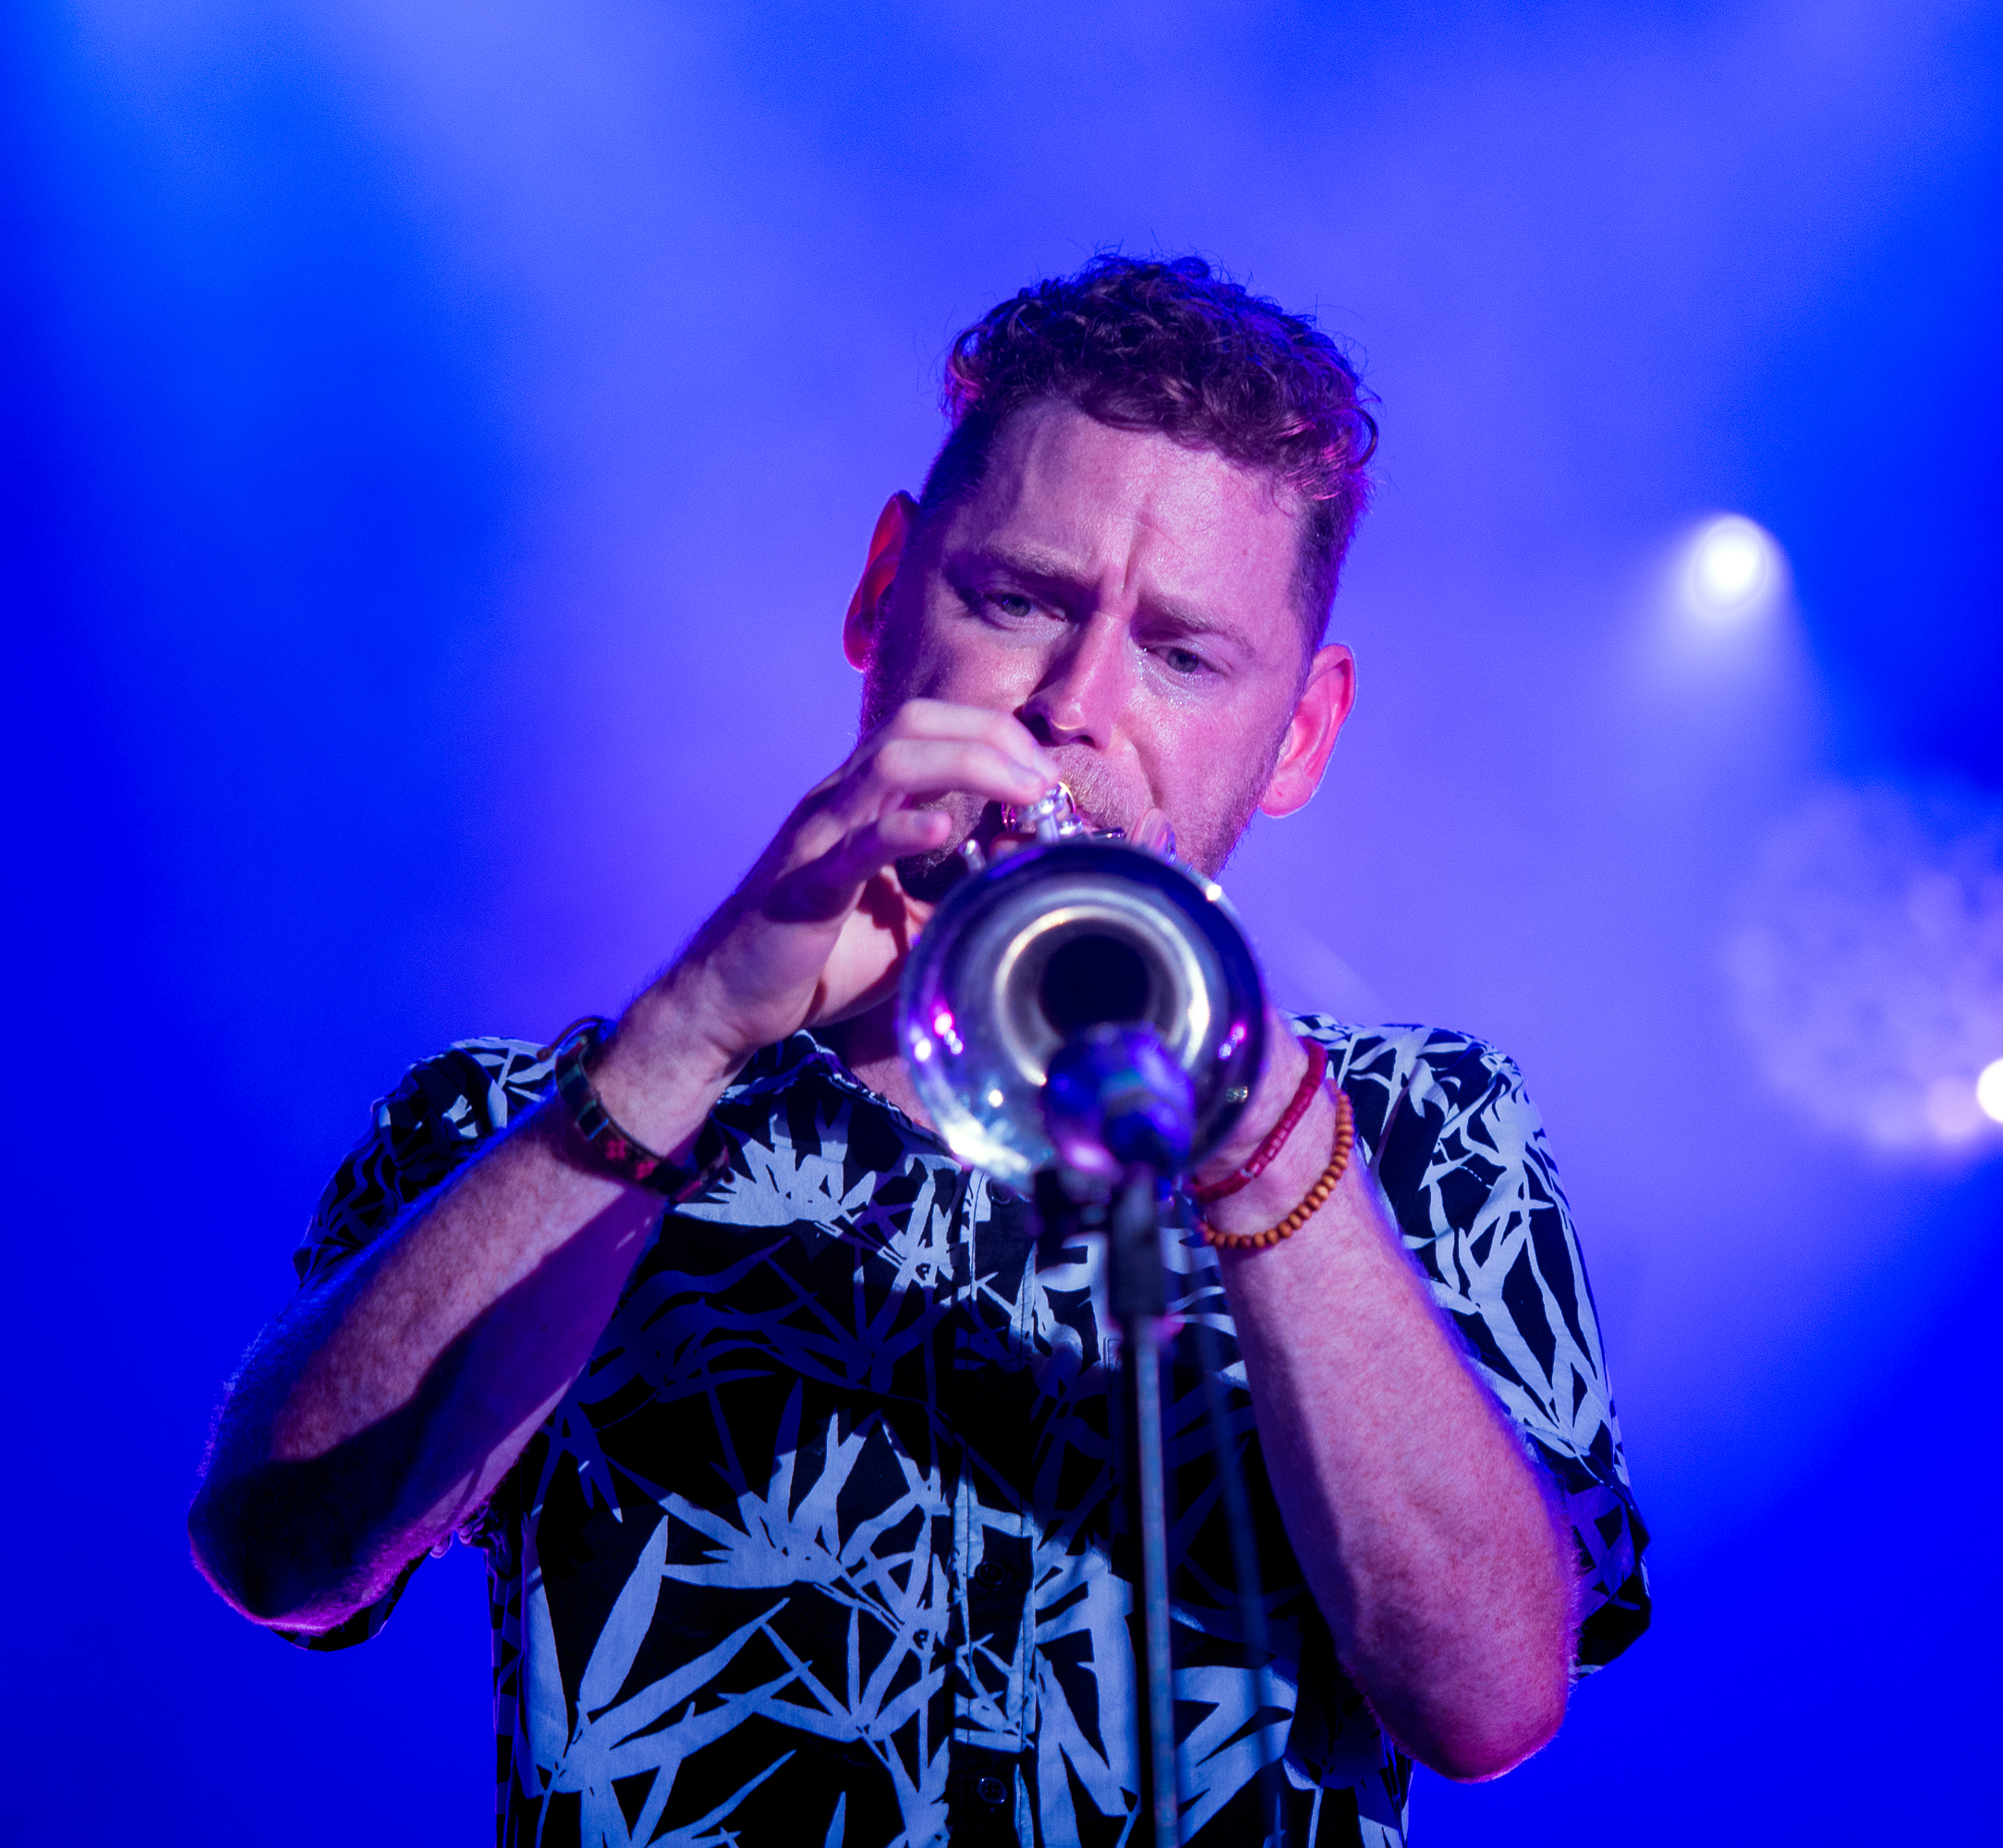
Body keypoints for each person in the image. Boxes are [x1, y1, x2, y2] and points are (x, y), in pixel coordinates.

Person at [189, 255, 1648, 1848]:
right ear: (886, 589)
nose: (1074, 706)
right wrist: (683, 1041)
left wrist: (1260, 1145)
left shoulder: (1427, 1134)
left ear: (1299, 733)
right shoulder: (514, 1124)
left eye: (1181, 654)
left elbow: (1494, 1702)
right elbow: (280, 1553)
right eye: (1016, 598)